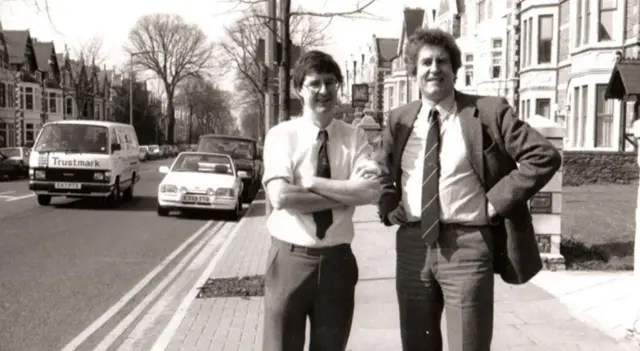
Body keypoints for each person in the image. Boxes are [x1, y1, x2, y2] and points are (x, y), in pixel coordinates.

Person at [375, 28, 562, 351]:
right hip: (412, 246)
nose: (434, 69)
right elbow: (378, 170)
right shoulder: (399, 119)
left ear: (455, 69)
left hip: (468, 247)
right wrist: (389, 205)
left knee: (468, 345)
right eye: (426, 63)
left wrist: (497, 201)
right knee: (416, 343)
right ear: (413, 71)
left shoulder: (488, 112)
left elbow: (543, 156)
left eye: (442, 62)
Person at [261, 50, 382, 351]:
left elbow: (370, 192)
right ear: (299, 89)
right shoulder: (281, 136)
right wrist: (345, 193)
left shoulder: (355, 138)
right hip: (290, 260)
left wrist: (313, 183)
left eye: (330, 82)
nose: (324, 91)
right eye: (314, 83)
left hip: (337, 262)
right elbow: (282, 196)